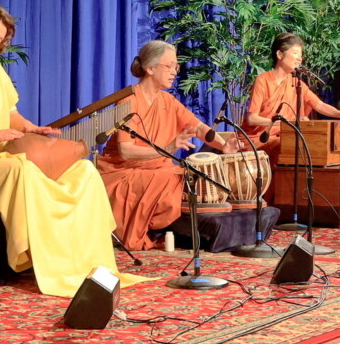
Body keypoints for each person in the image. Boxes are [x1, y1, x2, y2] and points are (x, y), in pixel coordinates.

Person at [0, 1, 143, 297]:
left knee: (82, 171)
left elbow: (10, 113)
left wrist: (32, 128)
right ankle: (48, 262)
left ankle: (87, 262)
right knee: (20, 168)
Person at [97, 41, 236, 250]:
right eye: (169, 66)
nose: (174, 72)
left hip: (155, 169)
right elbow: (125, 151)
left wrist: (223, 145)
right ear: (150, 68)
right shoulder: (128, 101)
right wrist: (168, 149)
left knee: (186, 174)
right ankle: (157, 230)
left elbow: (198, 128)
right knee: (172, 177)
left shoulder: (167, 100)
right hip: (121, 171)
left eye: (176, 67)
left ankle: (168, 230)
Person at [243, 33, 340, 166]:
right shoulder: (263, 80)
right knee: (292, 147)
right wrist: (288, 123)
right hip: (259, 138)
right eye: (295, 53)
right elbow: (252, 119)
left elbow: (319, 105)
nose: (300, 58)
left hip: (286, 138)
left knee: (312, 145)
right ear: (279, 54)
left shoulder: (297, 84)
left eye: (301, 55)